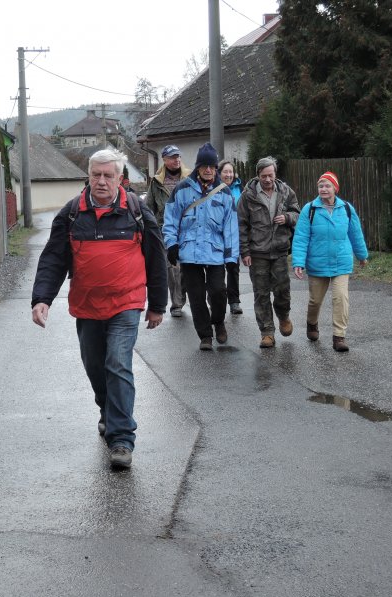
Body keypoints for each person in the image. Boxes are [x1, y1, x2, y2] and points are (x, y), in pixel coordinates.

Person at [31, 148, 168, 469]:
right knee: (95, 365)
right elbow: (53, 258)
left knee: (117, 363)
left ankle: (121, 438)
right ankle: (107, 408)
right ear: (88, 176)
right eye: (96, 175)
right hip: (87, 305)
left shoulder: (136, 212)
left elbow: (156, 259)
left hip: (127, 302)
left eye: (108, 175)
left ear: (121, 178)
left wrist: (157, 304)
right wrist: (42, 298)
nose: (102, 181)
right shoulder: (71, 214)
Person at [163, 142, 239, 351]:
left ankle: (218, 321)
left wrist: (232, 258)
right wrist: (171, 244)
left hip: (215, 252)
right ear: (197, 167)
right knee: (196, 297)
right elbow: (170, 219)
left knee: (218, 291)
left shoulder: (225, 194)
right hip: (189, 252)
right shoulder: (182, 189)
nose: (208, 170)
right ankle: (205, 335)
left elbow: (231, 228)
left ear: (216, 169)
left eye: (212, 166)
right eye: (204, 166)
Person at [292, 171, 369, 352]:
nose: (323, 189)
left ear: (335, 188)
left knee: (341, 298)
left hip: (341, 261)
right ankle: (312, 323)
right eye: (321, 186)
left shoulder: (347, 209)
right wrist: (298, 263)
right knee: (315, 300)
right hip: (317, 263)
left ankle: (339, 337)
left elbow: (355, 234)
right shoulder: (309, 209)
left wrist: (362, 255)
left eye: (327, 185)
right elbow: (301, 238)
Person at [237, 156, 300, 348]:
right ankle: (266, 332)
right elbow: (241, 225)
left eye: (270, 175)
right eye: (264, 176)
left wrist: (288, 218)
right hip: (257, 253)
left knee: (282, 291)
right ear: (258, 175)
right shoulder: (247, 196)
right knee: (261, 294)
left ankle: (283, 316)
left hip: (280, 249)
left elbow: (298, 213)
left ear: (275, 174)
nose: (267, 179)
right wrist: (245, 251)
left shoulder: (286, 192)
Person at [146, 144, 192, 318]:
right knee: (172, 268)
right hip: (165, 230)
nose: (177, 160)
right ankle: (177, 304)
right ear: (164, 160)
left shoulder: (190, 178)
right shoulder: (157, 182)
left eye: (178, 156)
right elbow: (149, 208)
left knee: (188, 267)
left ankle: (189, 296)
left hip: (189, 229)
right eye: (173, 157)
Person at [218, 159, 244, 315]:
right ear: (219, 173)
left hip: (234, 235)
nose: (228, 175)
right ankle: (217, 300)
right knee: (217, 271)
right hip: (217, 236)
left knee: (233, 269)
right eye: (225, 172)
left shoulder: (240, 189)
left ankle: (234, 301)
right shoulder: (214, 189)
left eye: (231, 172)